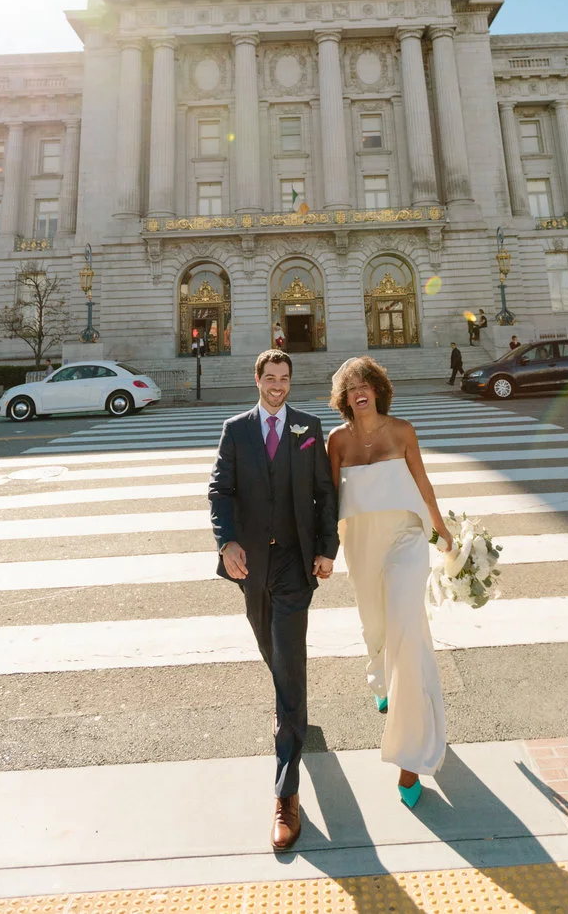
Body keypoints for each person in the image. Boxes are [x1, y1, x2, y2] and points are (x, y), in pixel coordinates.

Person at [207, 349, 338, 852]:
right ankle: (294, 709)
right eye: (270, 378)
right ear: (257, 379)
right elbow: (219, 490)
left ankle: (286, 794)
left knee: (290, 659)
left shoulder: (308, 428)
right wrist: (227, 540)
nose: (278, 386)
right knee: (273, 650)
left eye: (285, 379)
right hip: (251, 566)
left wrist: (328, 550)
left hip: (295, 565)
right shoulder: (235, 429)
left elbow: (325, 494)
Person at [327, 356, 452, 809]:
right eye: (351, 386)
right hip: (361, 543)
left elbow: (423, 486)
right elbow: (327, 499)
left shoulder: (402, 432)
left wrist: (443, 535)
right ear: (344, 397)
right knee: (376, 627)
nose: (359, 391)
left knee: (404, 630)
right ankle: (382, 680)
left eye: (366, 383)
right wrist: (322, 552)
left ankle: (409, 756)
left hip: (405, 539)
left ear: (378, 388)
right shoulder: (337, 441)